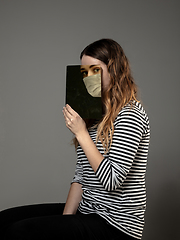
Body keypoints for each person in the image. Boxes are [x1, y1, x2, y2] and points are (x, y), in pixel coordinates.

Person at [0, 39, 150, 240]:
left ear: (114, 71)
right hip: (87, 211)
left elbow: (112, 180)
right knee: (4, 220)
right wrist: (64, 221)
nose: (88, 77)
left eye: (94, 70)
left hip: (116, 224)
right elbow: (81, 176)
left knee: (19, 232)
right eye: (84, 71)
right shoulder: (93, 114)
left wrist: (81, 133)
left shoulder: (131, 114)